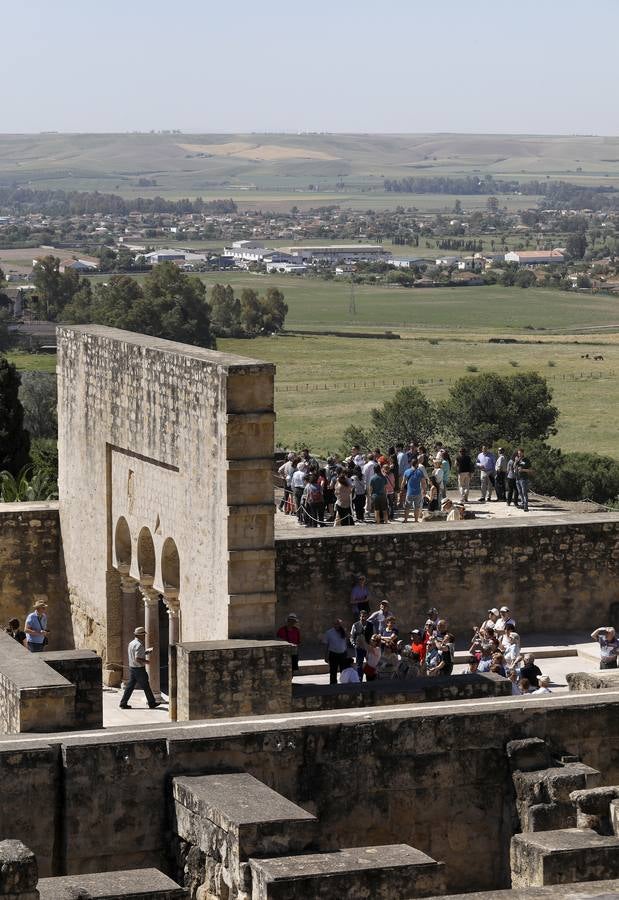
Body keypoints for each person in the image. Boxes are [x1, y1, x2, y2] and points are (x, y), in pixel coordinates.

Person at [119, 626, 161, 709]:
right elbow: (137, 658)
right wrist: (146, 662)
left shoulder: (131, 643)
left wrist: (145, 653)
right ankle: (151, 703)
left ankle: (123, 703)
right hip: (139, 669)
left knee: (130, 687)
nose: (144, 636)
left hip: (132, 668)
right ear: (140, 635)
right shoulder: (139, 645)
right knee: (146, 686)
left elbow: (135, 655)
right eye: (143, 635)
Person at [322, 618, 350, 685]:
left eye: (339, 624)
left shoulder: (343, 632)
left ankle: (343, 684)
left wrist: (344, 631)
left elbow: (348, 639)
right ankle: (333, 685)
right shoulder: (329, 632)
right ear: (333, 625)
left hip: (343, 654)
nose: (337, 625)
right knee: (333, 671)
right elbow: (326, 645)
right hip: (333, 654)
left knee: (343, 671)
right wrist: (326, 656)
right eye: (336, 624)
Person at [400, 458, 427, 524]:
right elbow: (423, 482)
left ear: (411, 464)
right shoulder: (420, 472)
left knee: (407, 507)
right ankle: (416, 520)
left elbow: (403, 482)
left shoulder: (407, 471)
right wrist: (424, 490)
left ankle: (406, 520)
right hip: (418, 492)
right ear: (417, 464)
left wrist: (401, 489)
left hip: (409, 492)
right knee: (416, 507)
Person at [350, 609, 373, 677]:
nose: (364, 618)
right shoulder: (355, 625)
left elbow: (374, 636)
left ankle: (369, 678)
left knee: (370, 663)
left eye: (365, 616)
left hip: (368, 648)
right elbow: (352, 636)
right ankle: (359, 679)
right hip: (359, 648)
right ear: (360, 617)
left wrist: (372, 646)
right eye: (362, 616)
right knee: (359, 664)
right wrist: (354, 644)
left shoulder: (371, 625)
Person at [514, 447, 532, 512]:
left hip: (524, 479)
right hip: (517, 478)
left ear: (523, 453)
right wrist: (516, 461)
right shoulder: (517, 459)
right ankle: (522, 504)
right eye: (518, 453)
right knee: (520, 492)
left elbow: (530, 470)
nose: (519, 454)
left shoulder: (526, 460)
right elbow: (514, 467)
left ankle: (526, 506)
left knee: (524, 493)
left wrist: (523, 470)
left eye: (520, 453)